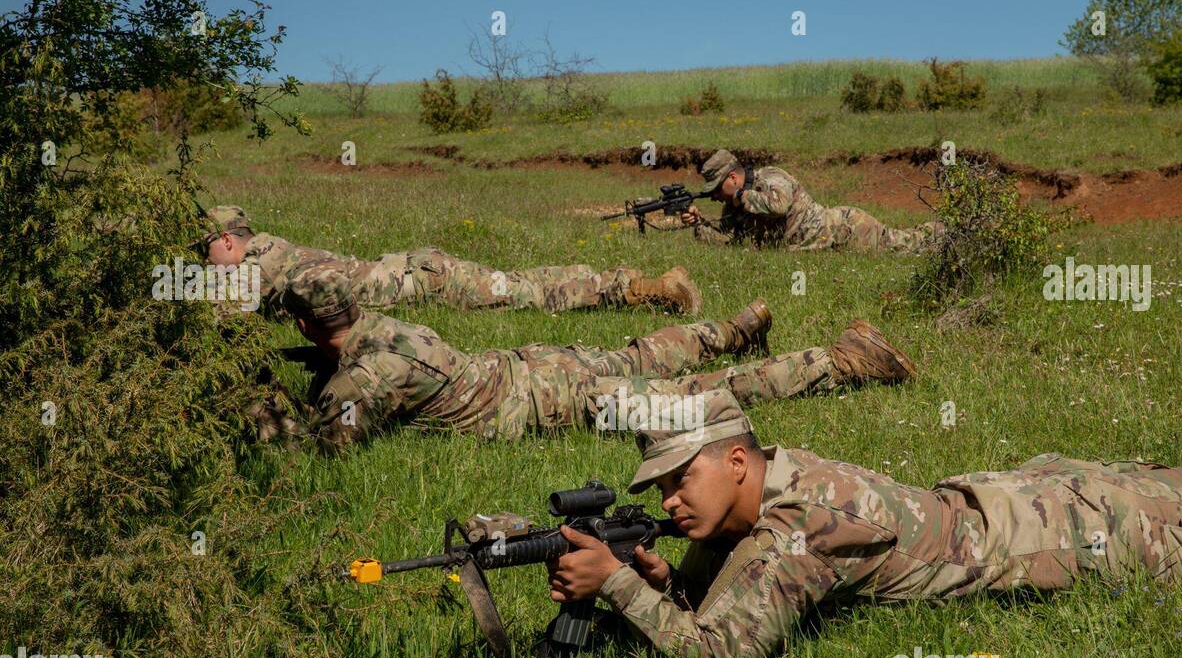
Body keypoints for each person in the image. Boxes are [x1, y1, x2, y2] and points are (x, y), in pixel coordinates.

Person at [546, 390, 1182, 658]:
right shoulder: (775, 482)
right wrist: (666, 585)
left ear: (737, 461)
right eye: (662, 488)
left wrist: (616, 585)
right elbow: (730, 589)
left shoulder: (802, 526)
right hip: (1034, 492)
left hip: (1077, 535)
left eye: (682, 481)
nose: (671, 503)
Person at [253, 285, 918, 451]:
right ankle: (736, 326)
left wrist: (261, 416)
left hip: (557, 406)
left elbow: (326, 443)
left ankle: (844, 360)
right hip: (540, 364)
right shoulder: (384, 324)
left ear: (310, 325)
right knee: (648, 352)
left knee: (696, 397)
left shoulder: (362, 376)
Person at [201, 205, 703, 317]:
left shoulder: (259, 265)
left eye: (207, 252)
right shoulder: (271, 247)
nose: (207, 265)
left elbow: (220, 309)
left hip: (428, 282)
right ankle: (636, 280)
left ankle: (655, 289)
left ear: (227, 239)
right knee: (524, 283)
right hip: (422, 269)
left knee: (533, 297)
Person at [679, 149, 940, 253]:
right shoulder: (735, 205)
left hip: (845, 230)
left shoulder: (770, 177)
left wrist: (739, 197)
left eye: (717, 188)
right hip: (825, 248)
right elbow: (729, 241)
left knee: (907, 246)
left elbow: (778, 205)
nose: (714, 195)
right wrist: (698, 224)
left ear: (733, 177)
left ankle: (947, 232)